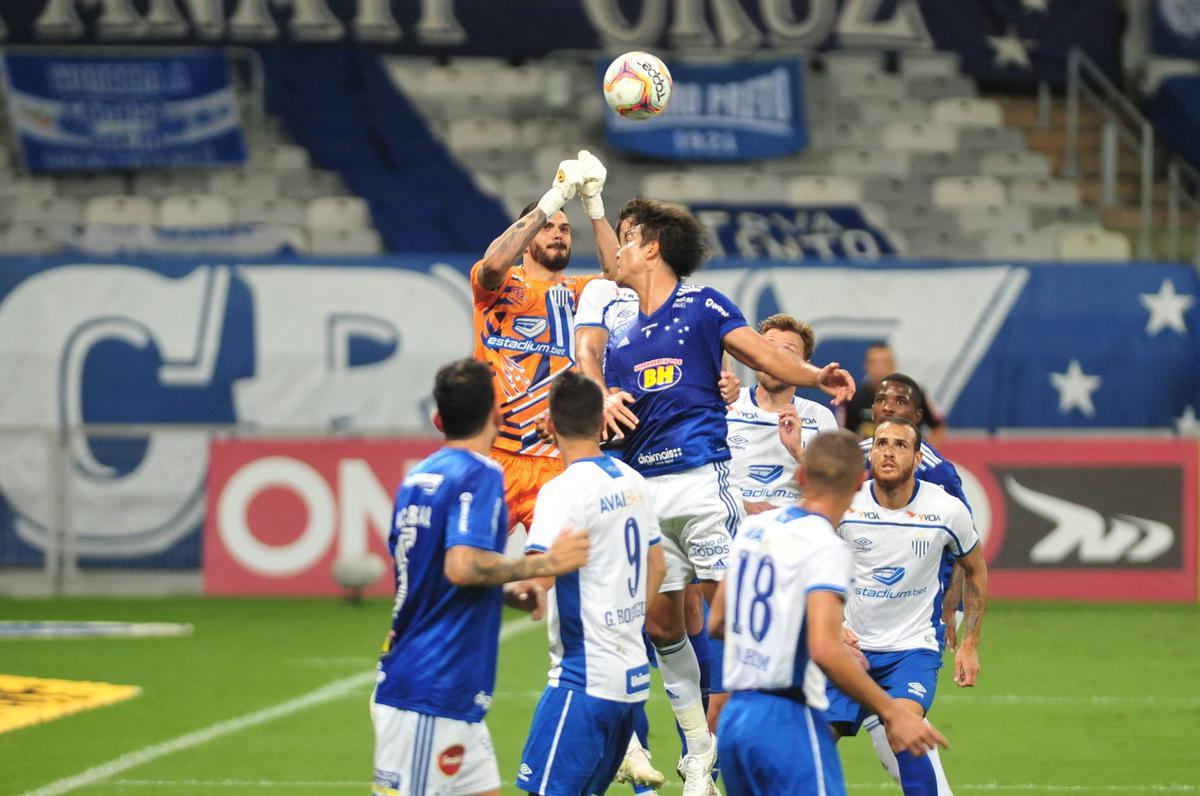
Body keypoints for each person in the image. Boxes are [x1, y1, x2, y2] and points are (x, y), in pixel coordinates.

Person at [601, 198, 855, 795]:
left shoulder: (704, 304)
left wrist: (816, 378)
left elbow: (763, 354)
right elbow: (613, 402)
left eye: (629, 239)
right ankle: (697, 751)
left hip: (701, 481)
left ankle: (755, 732)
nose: (619, 252)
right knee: (661, 627)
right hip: (644, 488)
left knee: (727, 621)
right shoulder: (618, 329)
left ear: (653, 247)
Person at [372, 358, 591, 796]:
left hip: (445, 690)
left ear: (438, 419)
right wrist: (543, 564)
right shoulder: (481, 472)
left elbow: (434, 570)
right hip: (431, 689)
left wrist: (506, 591)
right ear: (498, 413)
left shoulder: (418, 476)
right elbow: (460, 565)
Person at [708, 430, 948, 796]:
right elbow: (824, 648)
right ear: (858, 483)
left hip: (736, 719)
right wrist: (893, 711)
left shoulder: (754, 527)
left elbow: (719, 622)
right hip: (787, 719)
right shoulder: (826, 546)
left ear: (801, 477)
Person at [515, 371, 667, 796]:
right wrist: (626, 618)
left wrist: (474, 584)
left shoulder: (562, 491)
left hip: (583, 681)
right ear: (603, 421)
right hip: (631, 679)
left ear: (550, 421)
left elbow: (534, 585)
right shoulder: (631, 479)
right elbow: (657, 566)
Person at [825, 417, 988, 796]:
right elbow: (812, 568)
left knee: (904, 733)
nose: (888, 451)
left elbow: (976, 570)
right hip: (849, 651)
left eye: (900, 445)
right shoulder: (844, 504)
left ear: (917, 459)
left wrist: (970, 642)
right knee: (813, 743)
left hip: (911, 651)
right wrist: (833, 626)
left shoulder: (947, 511)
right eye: (881, 442)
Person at [472, 149, 616, 532]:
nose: (557, 233)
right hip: (497, 452)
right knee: (469, 568)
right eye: (548, 226)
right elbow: (492, 265)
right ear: (528, 235)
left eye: (564, 229)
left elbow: (621, 277)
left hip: (557, 457)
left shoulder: (582, 290)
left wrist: (594, 205)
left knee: (557, 573)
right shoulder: (500, 286)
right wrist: (551, 200)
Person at [726, 313, 839, 515]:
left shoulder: (820, 417)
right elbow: (703, 478)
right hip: (732, 526)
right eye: (768, 349)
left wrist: (799, 452)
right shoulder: (727, 406)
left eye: (787, 352)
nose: (774, 361)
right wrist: (740, 506)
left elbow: (833, 492)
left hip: (794, 535)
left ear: (804, 365)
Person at [840, 343, 946, 445]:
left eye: (885, 363)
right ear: (865, 365)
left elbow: (938, 427)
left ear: (894, 365)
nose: (879, 368)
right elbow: (843, 433)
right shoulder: (853, 397)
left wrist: (924, 454)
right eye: (874, 362)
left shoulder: (915, 393)